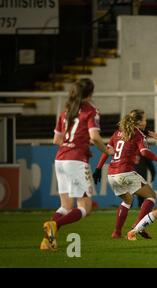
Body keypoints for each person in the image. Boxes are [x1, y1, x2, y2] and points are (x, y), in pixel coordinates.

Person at [40, 79, 115, 251]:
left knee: (65, 206)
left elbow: (56, 140)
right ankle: (55, 226)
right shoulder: (91, 111)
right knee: (84, 207)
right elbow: (95, 137)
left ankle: (48, 241)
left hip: (60, 159)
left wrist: (71, 144)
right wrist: (106, 151)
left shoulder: (66, 111)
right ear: (90, 93)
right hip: (76, 161)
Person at [93, 109, 157, 239]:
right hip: (125, 172)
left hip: (112, 174)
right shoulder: (138, 134)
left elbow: (107, 150)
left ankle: (116, 232)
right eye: (144, 119)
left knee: (127, 200)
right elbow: (144, 152)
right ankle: (138, 225)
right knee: (151, 196)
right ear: (138, 122)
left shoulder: (117, 133)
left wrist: (98, 169)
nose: (146, 122)